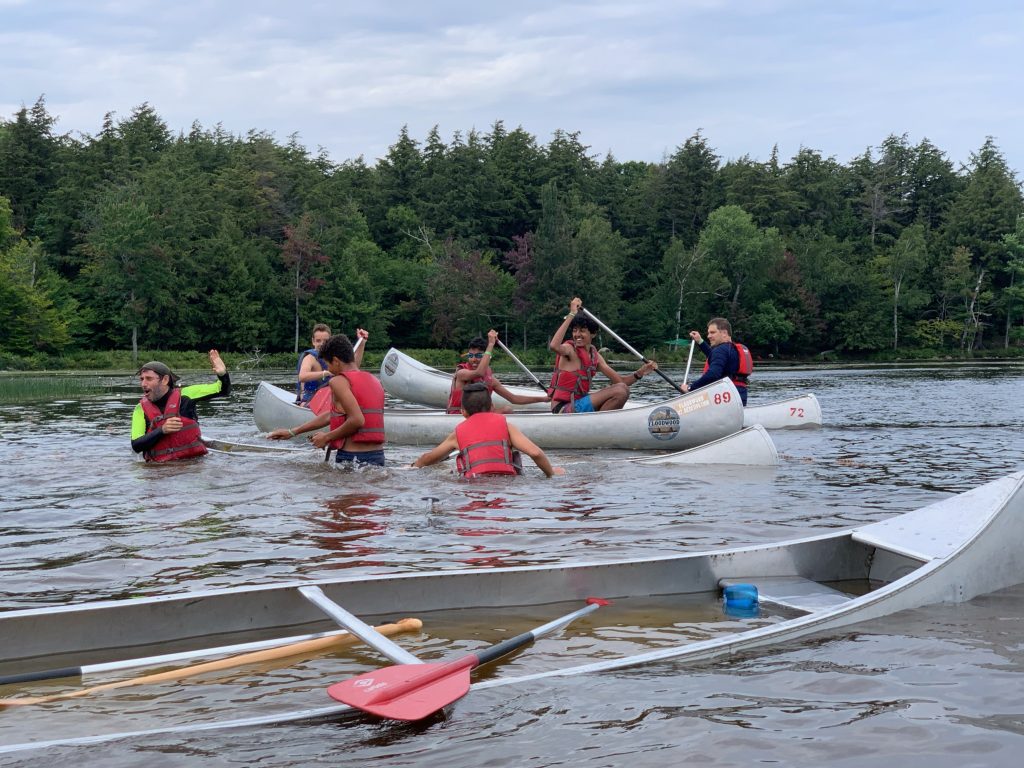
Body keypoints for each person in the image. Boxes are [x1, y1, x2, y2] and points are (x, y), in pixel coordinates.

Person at [268, 333, 386, 467]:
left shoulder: (338, 382)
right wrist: (292, 432)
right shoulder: (375, 381)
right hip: (378, 456)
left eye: (327, 364)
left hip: (352, 458)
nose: (328, 369)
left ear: (336, 361)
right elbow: (333, 415)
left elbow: (357, 420)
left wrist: (326, 437)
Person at [415, 383, 564, 477]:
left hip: (473, 485)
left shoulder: (457, 434)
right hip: (507, 484)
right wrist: (551, 473)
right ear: (492, 407)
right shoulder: (507, 427)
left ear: (463, 411)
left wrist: (412, 467)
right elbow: (535, 453)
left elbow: (429, 458)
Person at [547, 297, 658, 413]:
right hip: (563, 409)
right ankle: (597, 424)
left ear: (593, 334)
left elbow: (621, 381)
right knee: (620, 390)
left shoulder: (595, 357)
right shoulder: (570, 350)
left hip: (579, 405)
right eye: (575, 330)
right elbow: (554, 346)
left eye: (582, 331)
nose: (577, 334)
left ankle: (597, 424)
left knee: (622, 389)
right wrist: (572, 313)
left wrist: (640, 373)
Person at [131, 350, 230, 462]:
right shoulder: (140, 409)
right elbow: (136, 445)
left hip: (192, 466)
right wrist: (162, 430)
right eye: (141, 379)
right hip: (160, 471)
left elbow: (223, 390)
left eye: (149, 379)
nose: (143, 384)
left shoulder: (187, 395)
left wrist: (222, 374)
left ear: (165, 380)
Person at [447, 330, 550, 414]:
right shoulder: (462, 373)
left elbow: (514, 399)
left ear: (487, 357)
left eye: (478, 356)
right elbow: (479, 373)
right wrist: (491, 344)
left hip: (479, 418)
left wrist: (543, 399)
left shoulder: (491, 381)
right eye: (470, 356)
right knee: (506, 410)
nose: (473, 360)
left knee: (507, 409)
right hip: (459, 416)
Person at [681, 317, 753, 405]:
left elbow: (713, 374)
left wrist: (690, 388)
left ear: (724, 333)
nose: (708, 336)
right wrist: (700, 341)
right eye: (708, 333)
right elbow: (714, 357)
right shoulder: (732, 349)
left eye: (712, 332)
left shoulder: (721, 350)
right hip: (740, 394)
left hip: (725, 396)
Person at [295, 323, 332, 406]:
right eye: (318, 341)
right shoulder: (309, 358)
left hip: (329, 400)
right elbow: (302, 376)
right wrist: (327, 373)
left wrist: (362, 343)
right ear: (313, 341)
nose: (322, 344)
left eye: (325, 341)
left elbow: (354, 366)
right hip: (310, 400)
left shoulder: (333, 357)